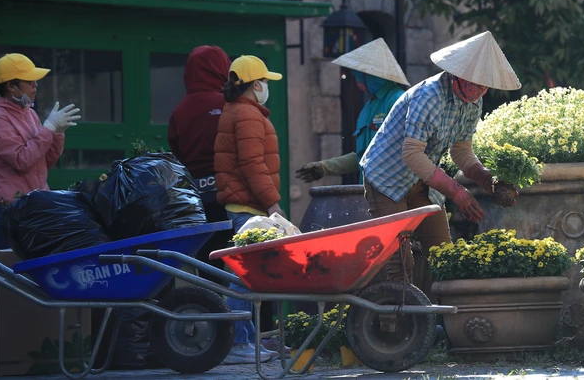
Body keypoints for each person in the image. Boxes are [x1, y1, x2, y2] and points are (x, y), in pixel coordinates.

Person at [359, 31, 521, 283]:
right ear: (459, 73)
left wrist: (487, 180)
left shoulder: (472, 101)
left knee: (443, 256)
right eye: (475, 81)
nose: (480, 89)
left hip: (422, 180)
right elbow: (412, 154)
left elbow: (461, 151)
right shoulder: (429, 96)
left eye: (485, 84)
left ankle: (439, 321)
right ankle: (394, 322)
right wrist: (456, 192)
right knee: (399, 264)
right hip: (386, 178)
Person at [214, 55, 283, 364]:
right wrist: (272, 204)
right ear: (256, 84)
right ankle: (236, 343)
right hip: (248, 206)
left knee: (246, 275)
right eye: (266, 81)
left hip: (242, 203)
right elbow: (253, 165)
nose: (267, 86)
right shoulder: (248, 115)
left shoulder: (238, 111)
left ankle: (246, 340)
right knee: (241, 277)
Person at [0, 54, 81, 248]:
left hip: (34, 206)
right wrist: (48, 129)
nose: (36, 85)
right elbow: (21, 160)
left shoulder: (30, 114)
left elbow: (43, 163)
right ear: (10, 86)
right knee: (7, 270)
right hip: (7, 210)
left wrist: (57, 134)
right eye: (30, 81)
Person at [295, 38, 409, 183]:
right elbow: (362, 157)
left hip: (394, 191)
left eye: (359, 76)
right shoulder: (368, 108)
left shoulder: (398, 101)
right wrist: (325, 167)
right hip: (369, 191)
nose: (357, 81)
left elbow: (409, 152)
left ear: (372, 75)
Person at [167, 45, 232, 264]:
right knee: (238, 262)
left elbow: (177, 154)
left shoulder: (179, 111)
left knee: (207, 263)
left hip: (197, 198)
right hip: (230, 194)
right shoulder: (229, 105)